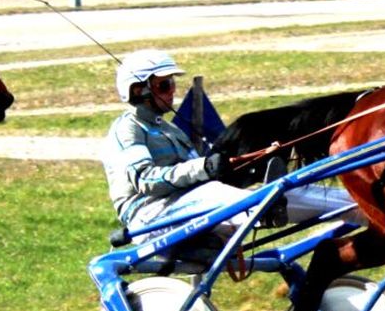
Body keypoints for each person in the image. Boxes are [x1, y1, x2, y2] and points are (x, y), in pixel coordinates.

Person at [103, 49, 361, 238]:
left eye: (172, 84)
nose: (172, 91)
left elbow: (196, 176)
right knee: (217, 193)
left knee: (284, 190)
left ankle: (361, 208)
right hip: (150, 216)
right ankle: (263, 210)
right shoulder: (127, 129)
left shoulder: (169, 129)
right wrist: (204, 167)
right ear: (138, 90)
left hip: (189, 203)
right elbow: (145, 180)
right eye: (164, 85)